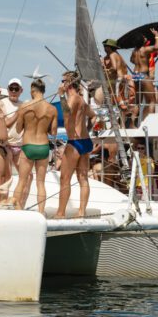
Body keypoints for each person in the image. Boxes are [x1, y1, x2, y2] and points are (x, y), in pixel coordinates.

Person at [55, 71, 96, 218]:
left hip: (75, 142)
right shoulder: (82, 100)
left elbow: (66, 113)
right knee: (83, 178)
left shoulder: (72, 98)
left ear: (69, 82)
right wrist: (87, 131)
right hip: (85, 141)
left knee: (64, 179)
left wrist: (60, 95)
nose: (61, 83)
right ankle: (81, 212)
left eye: (63, 80)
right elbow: (93, 116)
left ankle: (60, 213)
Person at [12, 79, 58, 213]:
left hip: (28, 146)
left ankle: (17, 210)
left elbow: (18, 129)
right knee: (40, 183)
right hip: (43, 147)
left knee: (22, 181)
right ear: (43, 91)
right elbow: (53, 132)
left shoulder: (25, 106)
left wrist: (28, 123)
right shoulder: (52, 109)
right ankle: (41, 212)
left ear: (33, 91)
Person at [102, 39, 137, 127]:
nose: (104, 48)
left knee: (117, 101)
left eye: (105, 46)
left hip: (118, 80)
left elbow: (114, 67)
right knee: (120, 101)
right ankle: (122, 124)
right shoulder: (119, 55)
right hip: (123, 80)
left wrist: (105, 70)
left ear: (109, 47)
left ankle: (127, 113)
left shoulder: (112, 55)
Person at [130, 29, 158, 122]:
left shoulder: (134, 51)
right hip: (143, 75)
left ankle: (132, 124)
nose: (146, 38)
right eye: (144, 37)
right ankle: (149, 123)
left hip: (135, 75)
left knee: (137, 102)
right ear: (142, 41)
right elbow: (157, 47)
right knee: (152, 101)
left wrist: (140, 61)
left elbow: (131, 60)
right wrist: (156, 35)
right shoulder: (145, 49)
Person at [0, 78, 24, 171]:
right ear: (8, 89)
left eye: (16, 89)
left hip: (20, 145)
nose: (13, 91)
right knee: (6, 175)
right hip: (6, 145)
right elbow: (6, 123)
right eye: (11, 88)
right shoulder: (1, 103)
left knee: (28, 176)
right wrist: (18, 112)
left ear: (21, 90)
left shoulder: (23, 104)